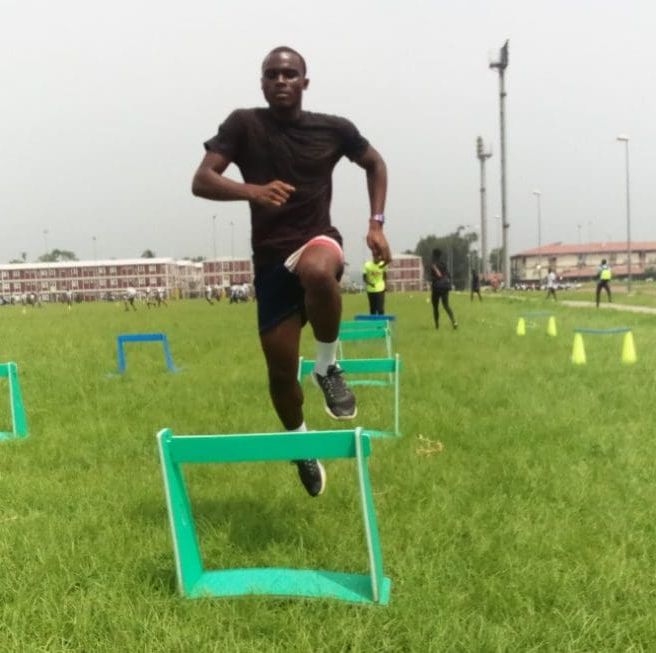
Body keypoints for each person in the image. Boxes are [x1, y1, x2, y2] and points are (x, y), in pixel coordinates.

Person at [192, 46, 390, 497]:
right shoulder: (244, 124)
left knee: (321, 271)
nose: (281, 80)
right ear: (262, 83)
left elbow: (375, 163)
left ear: (304, 81)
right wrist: (253, 191)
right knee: (280, 375)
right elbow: (202, 180)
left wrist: (376, 224)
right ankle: (300, 444)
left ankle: (327, 366)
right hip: (270, 260)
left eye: (289, 74)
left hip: (317, 238)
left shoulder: (334, 129)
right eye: (272, 74)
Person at [429, 249, 458, 329]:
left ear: (434, 255)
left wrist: (432, 281)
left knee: (435, 307)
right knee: (446, 305)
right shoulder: (444, 264)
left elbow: (433, 277)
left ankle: (437, 326)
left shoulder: (433, 264)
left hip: (436, 288)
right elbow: (449, 275)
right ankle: (454, 321)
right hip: (445, 287)